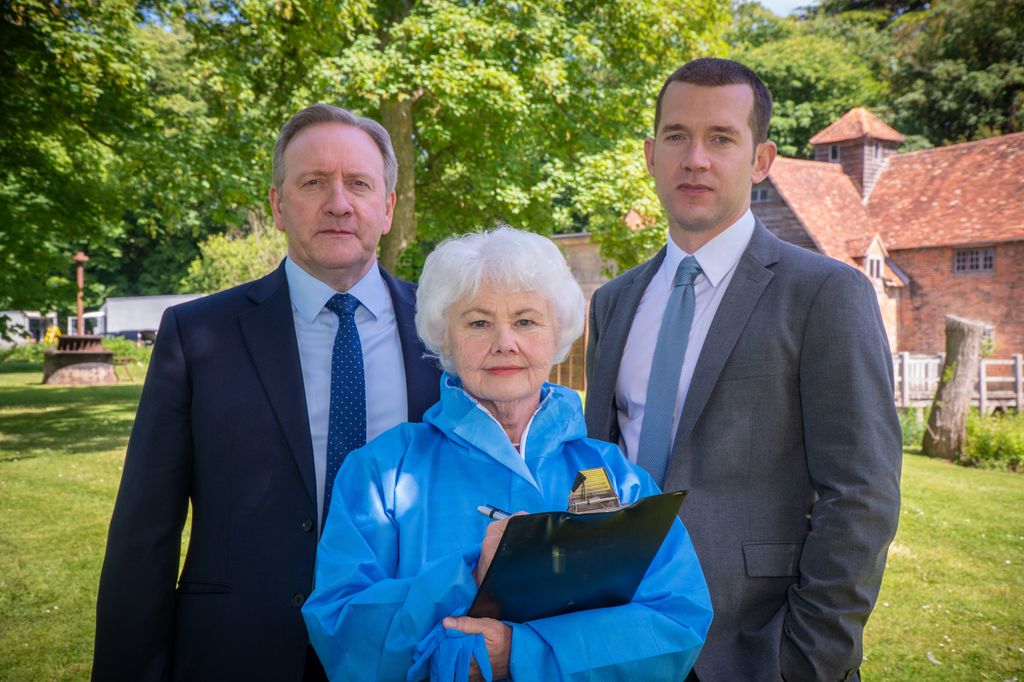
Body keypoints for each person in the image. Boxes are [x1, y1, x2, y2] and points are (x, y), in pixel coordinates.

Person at [92, 104, 441, 681]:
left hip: (409, 647)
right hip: (242, 652)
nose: (338, 202)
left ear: (387, 208)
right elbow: (143, 533)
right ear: (278, 205)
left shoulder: (448, 332)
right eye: (313, 183)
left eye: (358, 183)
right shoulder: (197, 334)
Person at [584, 58, 902, 682]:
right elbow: (600, 462)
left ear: (761, 160)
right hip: (616, 633)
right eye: (676, 136)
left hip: (753, 648)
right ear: (651, 154)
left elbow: (861, 495)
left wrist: (806, 659)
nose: (695, 158)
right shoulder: (614, 301)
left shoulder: (824, 294)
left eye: (721, 138)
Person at [302, 227, 713, 680]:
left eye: (525, 321)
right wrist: (471, 575)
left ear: (557, 335)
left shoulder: (615, 475)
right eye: (478, 322)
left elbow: (676, 622)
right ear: (445, 339)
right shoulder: (381, 472)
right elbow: (342, 633)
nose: (505, 342)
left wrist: (521, 653)